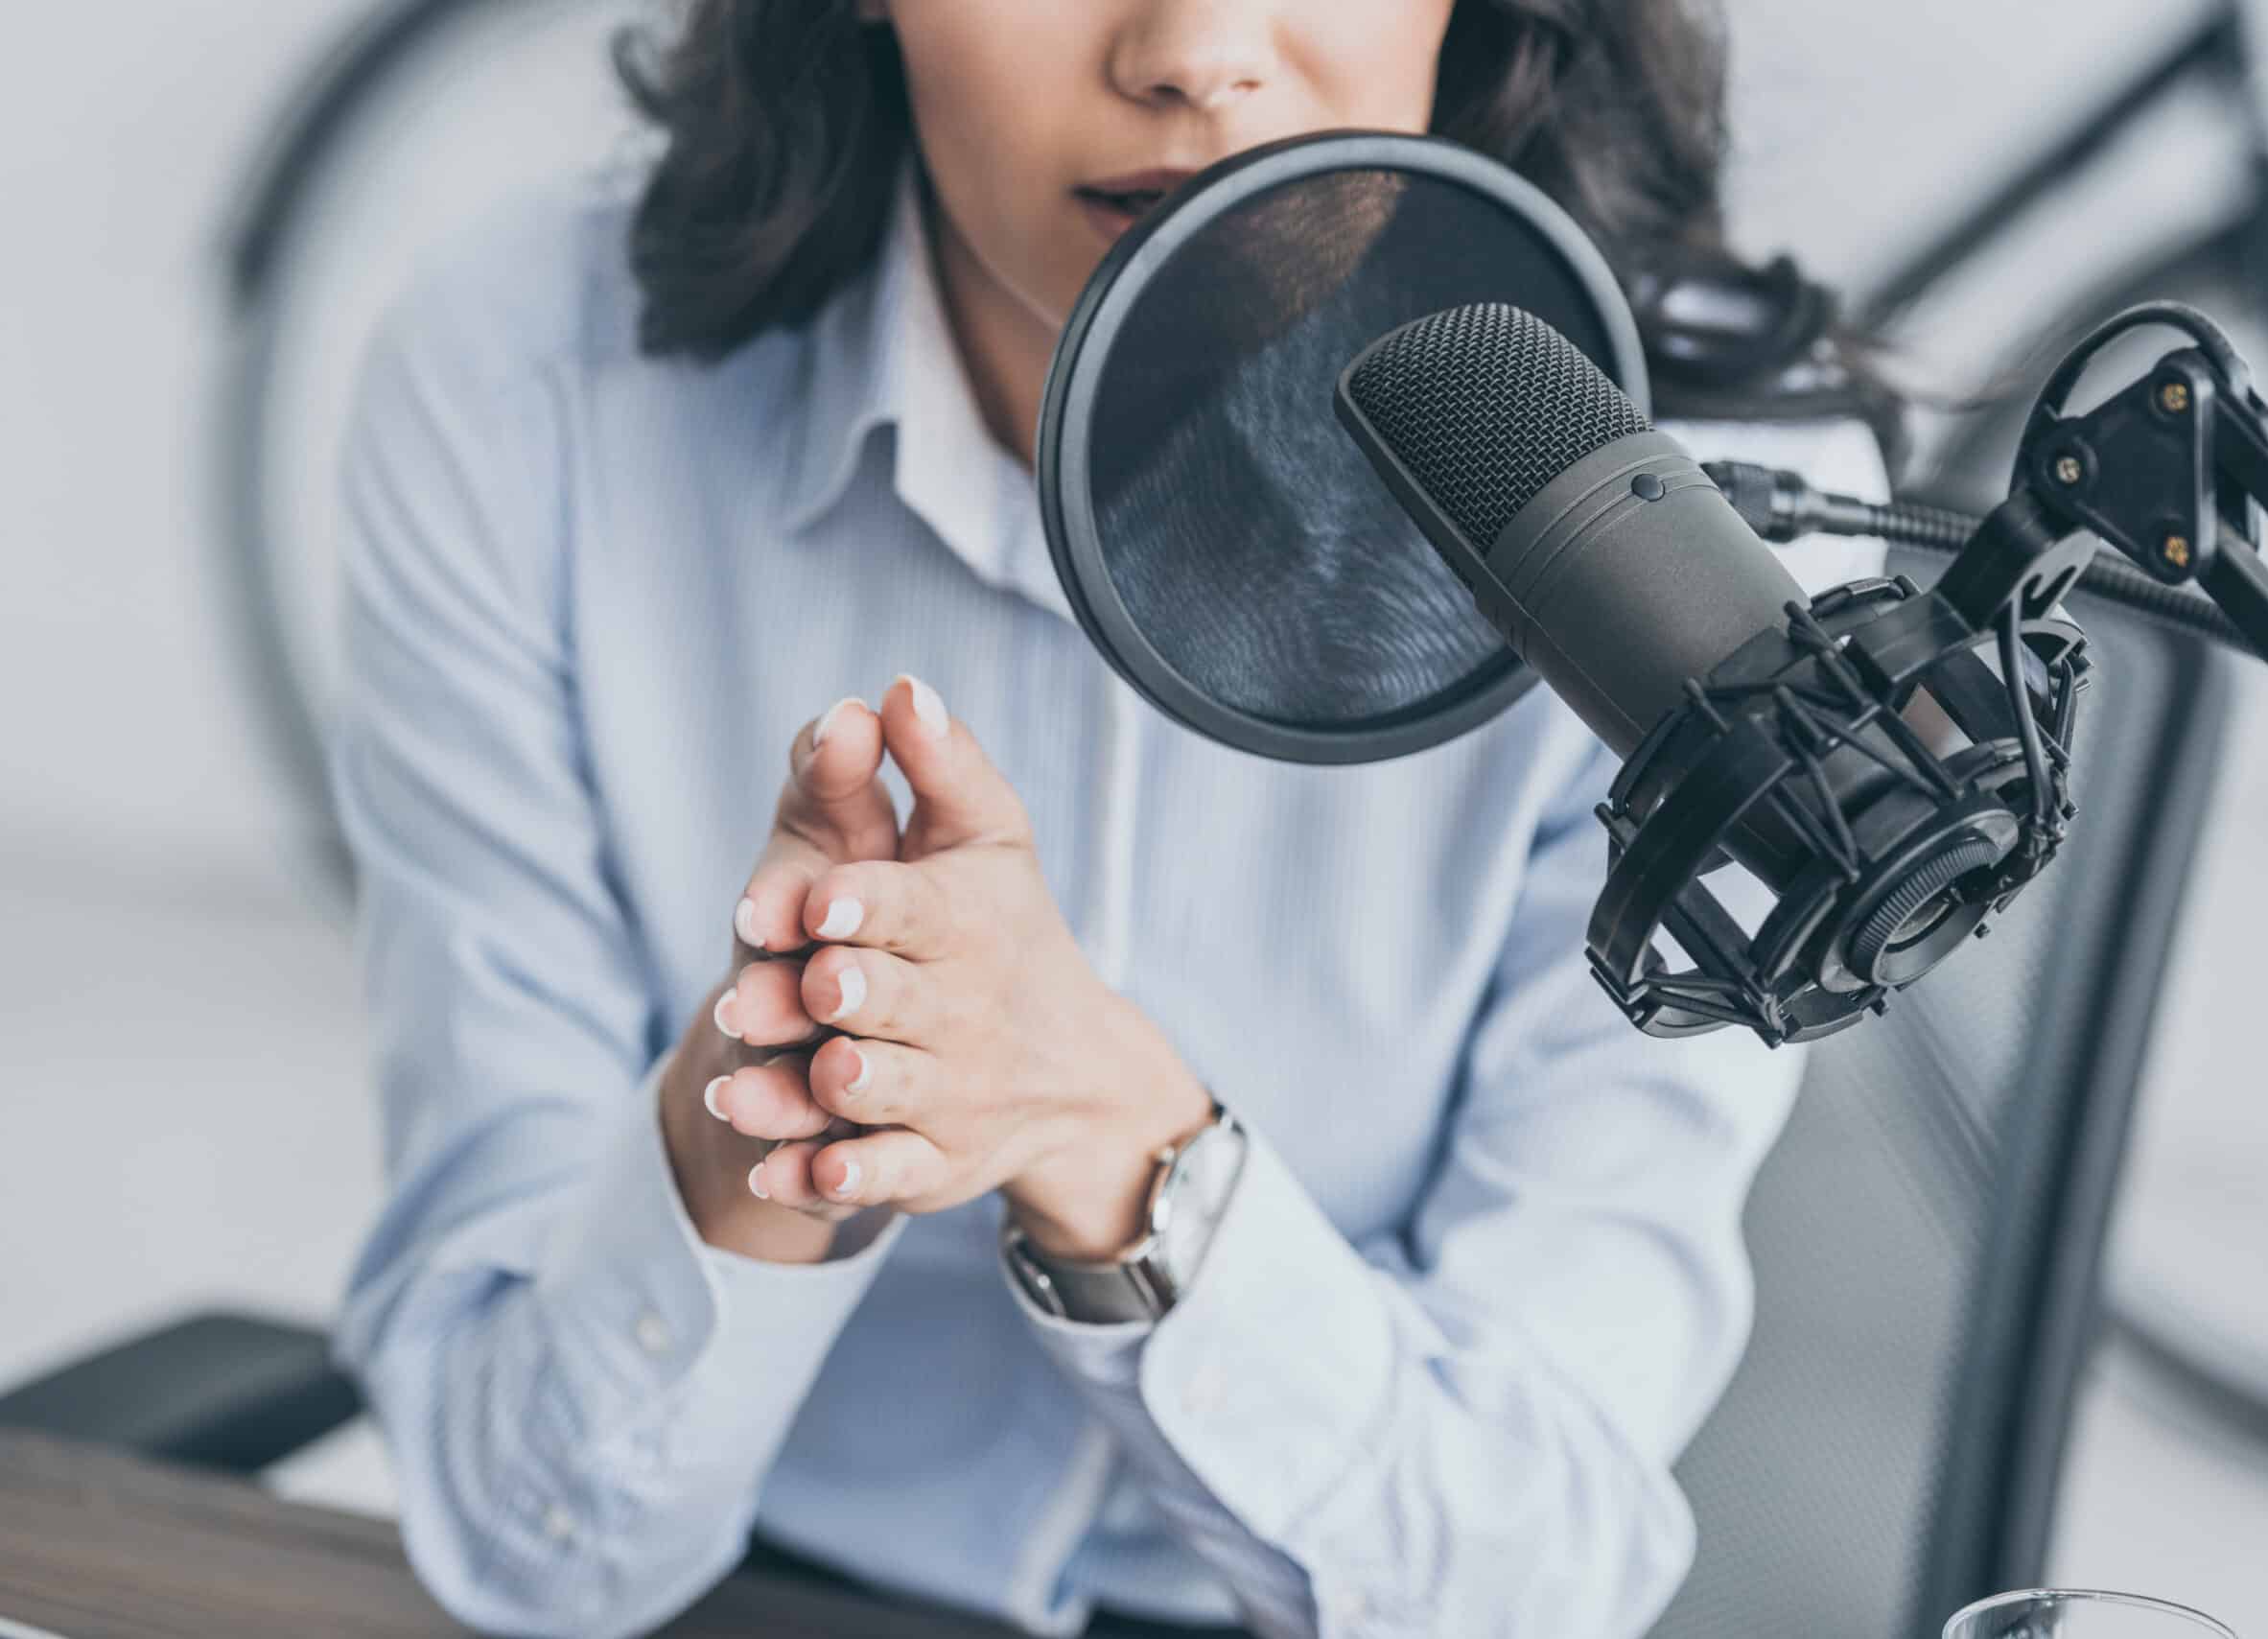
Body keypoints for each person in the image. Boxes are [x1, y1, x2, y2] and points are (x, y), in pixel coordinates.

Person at [327, 2, 1893, 1636]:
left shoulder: (1701, 533)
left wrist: (1114, 1141)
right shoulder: (527, 386)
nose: (1196, 51)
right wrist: (773, 1112)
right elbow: (526, 1539)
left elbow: (1525, 1577)